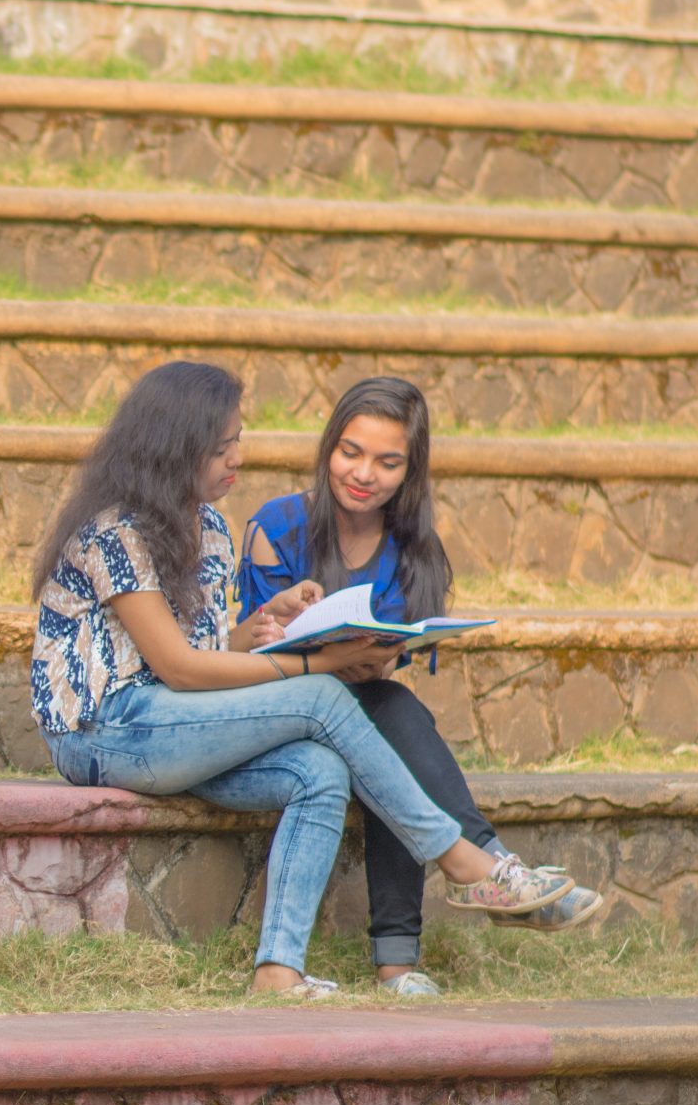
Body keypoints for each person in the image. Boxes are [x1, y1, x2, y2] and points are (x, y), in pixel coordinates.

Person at [28, 360, 577, 998]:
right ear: (174, 449)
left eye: (237, 440)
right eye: (221, 447)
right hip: (103, 732)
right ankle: (461, 859)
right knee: (322, 697)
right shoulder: (115, 533)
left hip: (170, 725)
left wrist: (269, 621)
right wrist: (321, 663)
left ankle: (278, 970)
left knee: (320, 770)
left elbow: (207, 653)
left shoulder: (209, 527)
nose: (238, 457)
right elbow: (178, 667)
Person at [238, 377, 605, 996]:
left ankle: (418, 946)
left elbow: (391, 652)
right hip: (274, 710)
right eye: (350, 452)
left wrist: (374, 659)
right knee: (390, 719)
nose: (364, 474)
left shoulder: (412, 547)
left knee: (383, 719)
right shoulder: (277, 525)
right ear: (329, 447)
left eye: (388, 462)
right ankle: (466, 890)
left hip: (355, 708)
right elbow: (254, 649)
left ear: (411, 469)